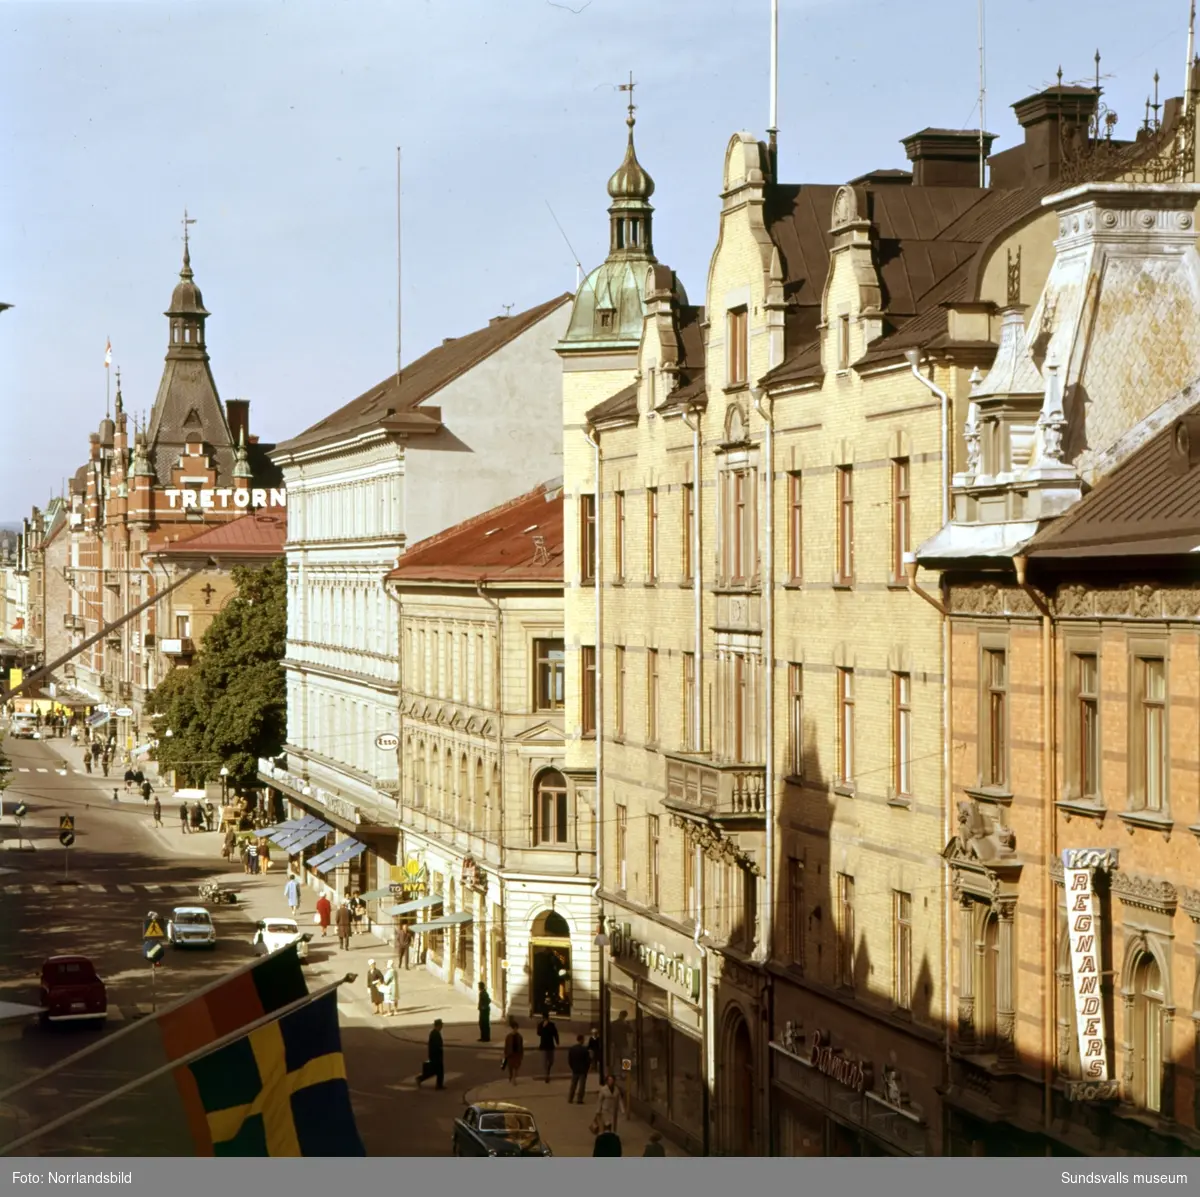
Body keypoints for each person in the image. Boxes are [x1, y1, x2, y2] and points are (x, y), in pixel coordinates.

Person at [416, 1019, 445, 1088]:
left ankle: (438, 1084)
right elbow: (435, 1046)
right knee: (437, 1070)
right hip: (435, 1056)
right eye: (441, 1025)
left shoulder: (435, 1033)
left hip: (435, 1055)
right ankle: (438, 1085)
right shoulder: (435, 1034)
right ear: (438, 1026)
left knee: (436, 1071)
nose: (442, 1027)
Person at [567, 1033, 590, 1104]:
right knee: (582, 1086)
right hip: (583, 1070)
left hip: (575, 1069)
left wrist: (572, 1067)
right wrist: (587, 1069)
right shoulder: (584, 1050)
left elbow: (569, 1060)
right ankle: (579, 1099)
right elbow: (588, 1061)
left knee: (573, 1084)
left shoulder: (572, 1049)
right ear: (582, 1040)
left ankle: (570, 1098)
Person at [537, 1011, 559, 1083]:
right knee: (544, 1061)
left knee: (551, 1061)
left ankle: (548, 1071)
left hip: (550, 1045)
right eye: (544, 1018)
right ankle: (547, 1076)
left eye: (546, 1018)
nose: (545, 1020)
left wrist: (557, 1041)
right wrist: (543, 1027)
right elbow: (539, 1033)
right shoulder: (540, 1025)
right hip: (543, 1046)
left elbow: (555, 1033)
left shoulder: (552, 1025)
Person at [502, 1017, 524, 1085]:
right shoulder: (508, 1037)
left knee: (516, 1067)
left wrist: (521, 1054)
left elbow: (521, 1046)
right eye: (514, 1028)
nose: (515, 1030)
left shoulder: (519, 1037)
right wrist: (505, 1054)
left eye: (516, 1028)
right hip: (510, 1054)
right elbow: (506, 1046)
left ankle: (514, 1079)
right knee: (510, 1067)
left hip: (517, 1054)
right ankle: (511, 1076)